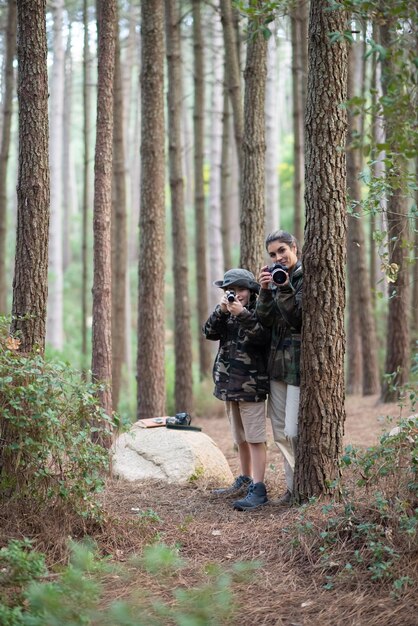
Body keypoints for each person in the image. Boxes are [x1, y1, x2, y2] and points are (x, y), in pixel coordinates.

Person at [202, 268, 270, 511]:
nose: (236, 295)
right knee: (239, 437)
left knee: (254, 438)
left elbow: (262, 338)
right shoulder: (226, 313)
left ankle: (259, 488)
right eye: (230, 290)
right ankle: (245, 478)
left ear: (250, 291)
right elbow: (208, 332)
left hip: (251, 386)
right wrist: (221, 311)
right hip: (228, 386)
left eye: (240, 289)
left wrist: (242, 314)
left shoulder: (259, 310)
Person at [256, 230, 302, 505]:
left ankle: (304, 485)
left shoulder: (304, 277)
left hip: (298, 368)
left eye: (282, 250)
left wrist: (283, 287)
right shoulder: (273, 279)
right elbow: (266, 320)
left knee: (294, 432)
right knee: (280, 434)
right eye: (273, 254)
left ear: (294, 248)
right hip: (276, 368)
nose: (278, 258)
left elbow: (297, 318)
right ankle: (292, 489)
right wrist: (264, 290)